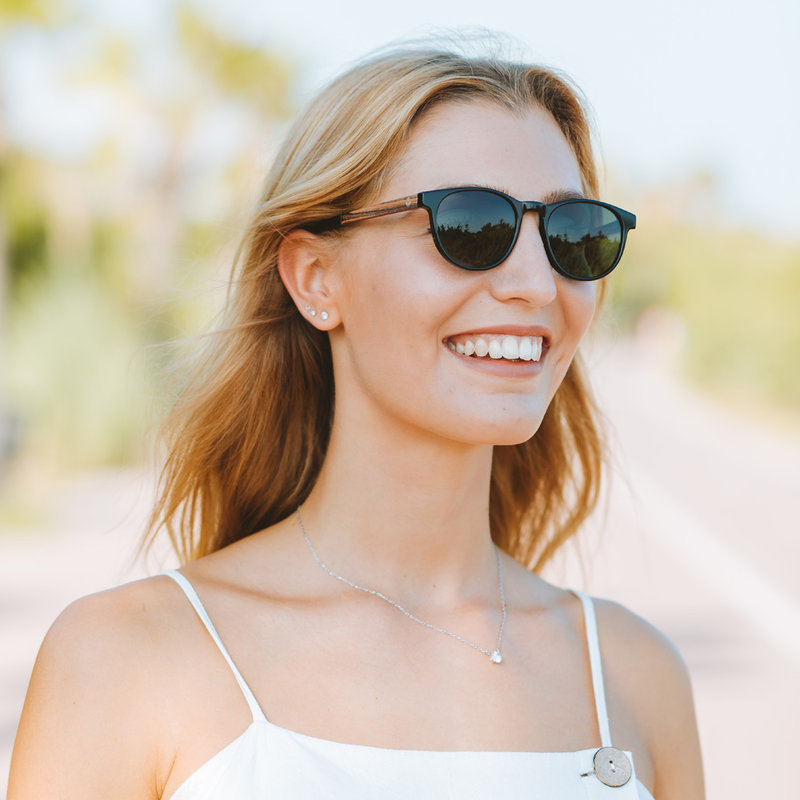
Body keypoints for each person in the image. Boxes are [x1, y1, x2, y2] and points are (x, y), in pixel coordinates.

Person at [8, 43, 704, 799]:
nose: (537, 285)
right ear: (316, 278)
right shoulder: (126, 658)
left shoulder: (633, 675)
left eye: (574, 234)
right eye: (471, 228)